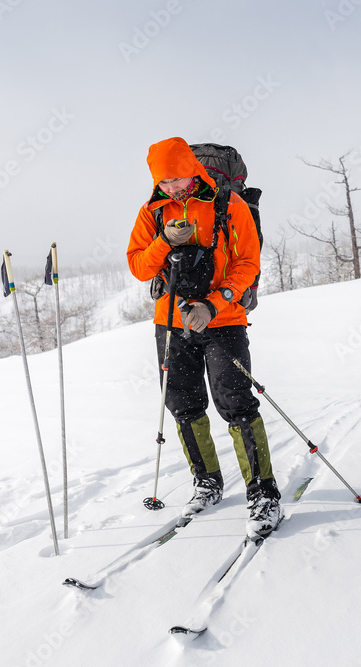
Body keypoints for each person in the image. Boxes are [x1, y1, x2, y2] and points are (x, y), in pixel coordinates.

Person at [126, 137, 282, 538]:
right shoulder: (152, 212)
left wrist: (214, 304)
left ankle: (264, 494)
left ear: (191, 170)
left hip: (223, 320)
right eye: (165, 182)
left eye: (178, 178)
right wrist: (165, 242)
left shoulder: (229, 206)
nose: (173, 187)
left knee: (236, 403)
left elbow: (248, 261)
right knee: (182, 403)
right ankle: (207, 481)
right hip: (171, 322)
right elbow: (139, 268)